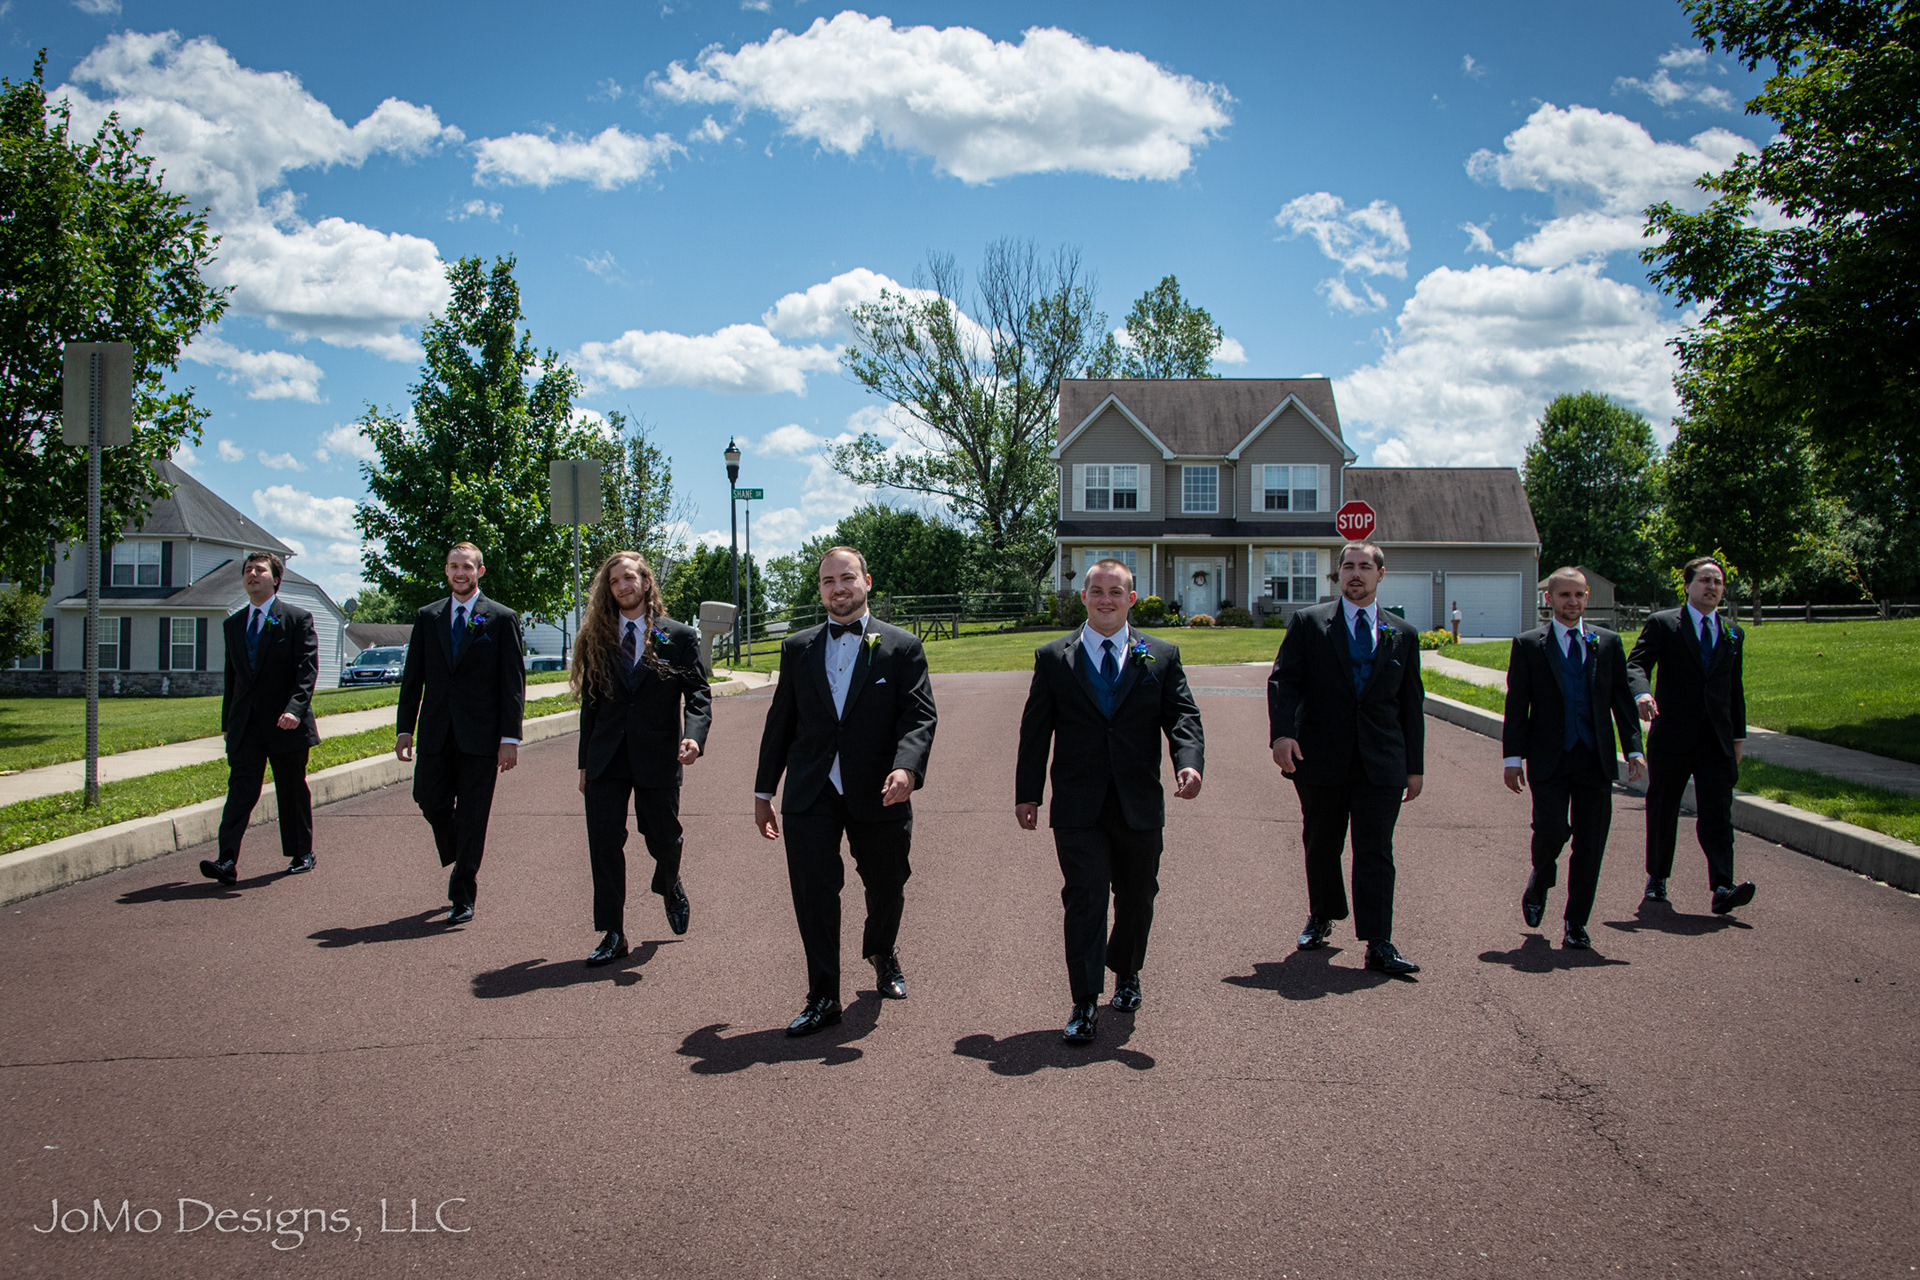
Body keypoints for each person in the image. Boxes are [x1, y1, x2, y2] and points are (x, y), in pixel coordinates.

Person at [1015, 559, 1204, 1044]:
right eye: (1096, 591)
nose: (1105, 599)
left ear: (1131, 599)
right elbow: (1035, 731)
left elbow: (1183, 717)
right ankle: (1083, 1001)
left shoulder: (1160, 654)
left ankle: (1127, 969)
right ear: (1084, 597)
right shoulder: (1053, 657)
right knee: (1085, 897)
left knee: (1138, 897)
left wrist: (1188, 762)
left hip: (1138, 802)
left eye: (1115, 591)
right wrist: (1027, 794)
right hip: (1078, 805)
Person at [754, 547, 937, 1036]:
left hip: (880, 789)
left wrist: (907, 769)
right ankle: (823, 995)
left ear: (866, 582)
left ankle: (881, 949)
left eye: (847, 578)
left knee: (888, 883)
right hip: (811, 790)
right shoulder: (797, 648)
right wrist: (763, 791)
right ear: (820, 590)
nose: (839, 588)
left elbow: (919, 717)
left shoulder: (902, 647)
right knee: (813, 892)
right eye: (829, 581)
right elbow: (780, 722)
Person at [1267, 541, 1426, 976]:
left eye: (1365, 567)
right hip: (1319, 755)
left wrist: (1414, 767)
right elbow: (1284, 681)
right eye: (1349, 566)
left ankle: (1379, 942)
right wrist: (1282, 734)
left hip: (1382, 760)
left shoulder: (1403, 634)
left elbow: (1411, 704)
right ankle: (1322, 915)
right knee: (1322, 843)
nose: (1356, 574)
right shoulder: (1310, 623)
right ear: (1338, 573)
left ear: (1380, 574)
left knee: (1376, 850)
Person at [572, 552, 711, 966]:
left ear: (646, 582)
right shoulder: (597, 636)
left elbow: (698, 694)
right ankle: (612, 932)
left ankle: (669, 882)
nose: (622, 586)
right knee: (604, 842)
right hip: (606, 757)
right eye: (614, 581)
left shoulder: (679, 636)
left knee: (665, 838)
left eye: (629, 578)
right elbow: (590, 705)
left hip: (658, 755)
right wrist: (584, 764)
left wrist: (693, 737)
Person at [1501, 567, 1646, 948]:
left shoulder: (1607, 642)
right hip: (1549, 758)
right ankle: (1540, 877)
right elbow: (1517, 706)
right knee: (1550, 831)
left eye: (1579, 595)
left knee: (1591, 842)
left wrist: (1633, 748)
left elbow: (1621, 700)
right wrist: (1512, 758)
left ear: (1586, 597)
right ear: (1548, 599)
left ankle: (1576, 922)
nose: (1572, 602)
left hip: (1594, 759)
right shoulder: (1529, 645)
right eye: (1564, 595)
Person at [395, 542, 526, 925]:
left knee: (473, 815)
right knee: (428, 799)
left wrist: (509, 738)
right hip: (435, 733)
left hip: (481, 738)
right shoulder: (428, 617)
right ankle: (458, 848)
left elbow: (513, 684)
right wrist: (405, 729)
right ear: (447, 571)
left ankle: (463, 892)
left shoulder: (501, 618)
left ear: (479, 571)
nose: (460, 573)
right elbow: (413, 678)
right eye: (454, 566)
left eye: (467, 567)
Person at [1628, 556, 1755, 914]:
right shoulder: (1664, 624)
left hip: (1716, 739)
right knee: (1663, 807)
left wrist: (1738, 737)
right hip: (1673, 736)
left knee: (1718, 812)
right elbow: (1636, 664)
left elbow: (1734, 688)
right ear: (1687, 586)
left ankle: (1723, 886)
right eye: (1704, 580)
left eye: (1718, 581)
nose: (1712, 586)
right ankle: (1657, 877)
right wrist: (1642, 694)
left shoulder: (1733, 632)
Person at [200, 551, 319, 885]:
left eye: (260, 570)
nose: (252, 574)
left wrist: (295, 709)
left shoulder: (296, 619)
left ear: (275, 579)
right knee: (240, 791)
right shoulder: (233, 624)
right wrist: (228, 723)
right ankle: (226, 860)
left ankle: (302, 853)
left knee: (291, 789)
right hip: (246, 726)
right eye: (248, 570)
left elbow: (306, 671)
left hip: (286, 723)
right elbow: (233, 679)